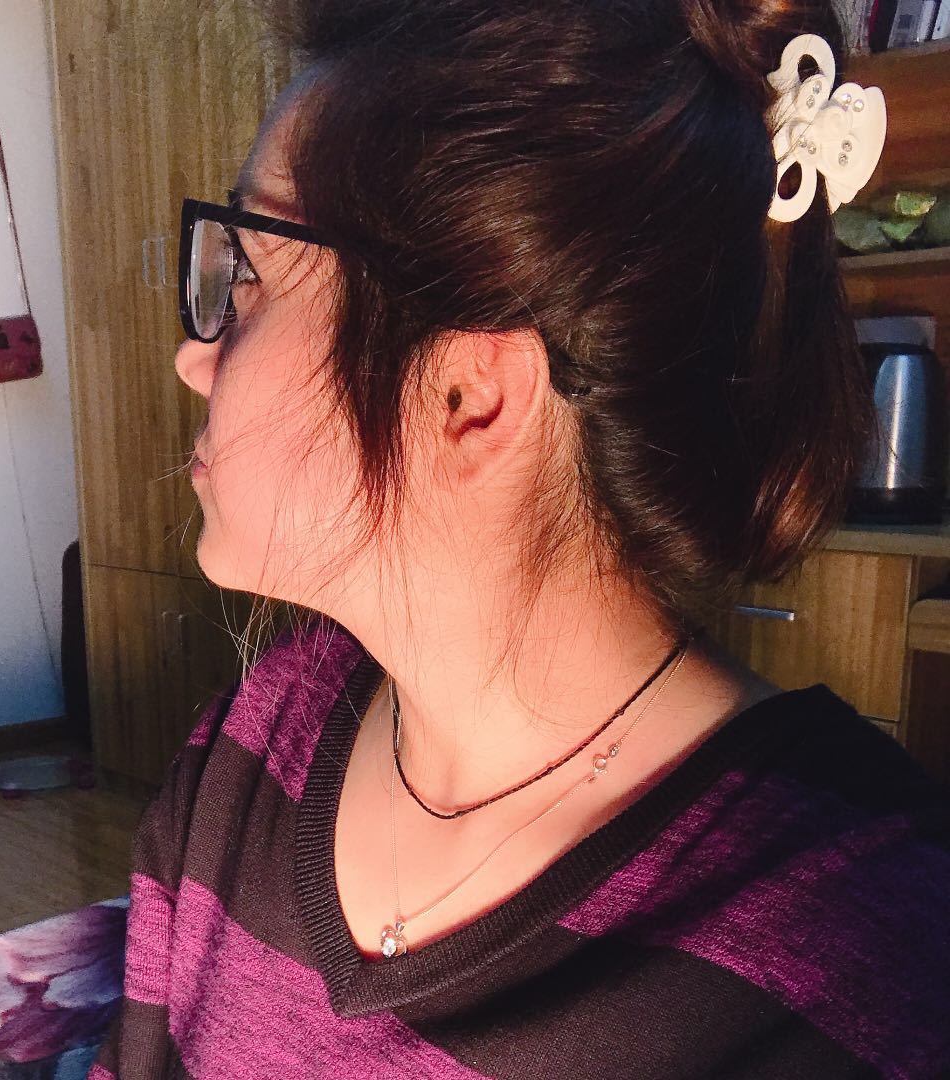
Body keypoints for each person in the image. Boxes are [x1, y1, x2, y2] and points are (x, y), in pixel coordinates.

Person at [90, 0, 950, 1076]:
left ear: (467, 396)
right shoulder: (250, 751)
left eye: (251, 272)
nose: (194, 356)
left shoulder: (863, 966)